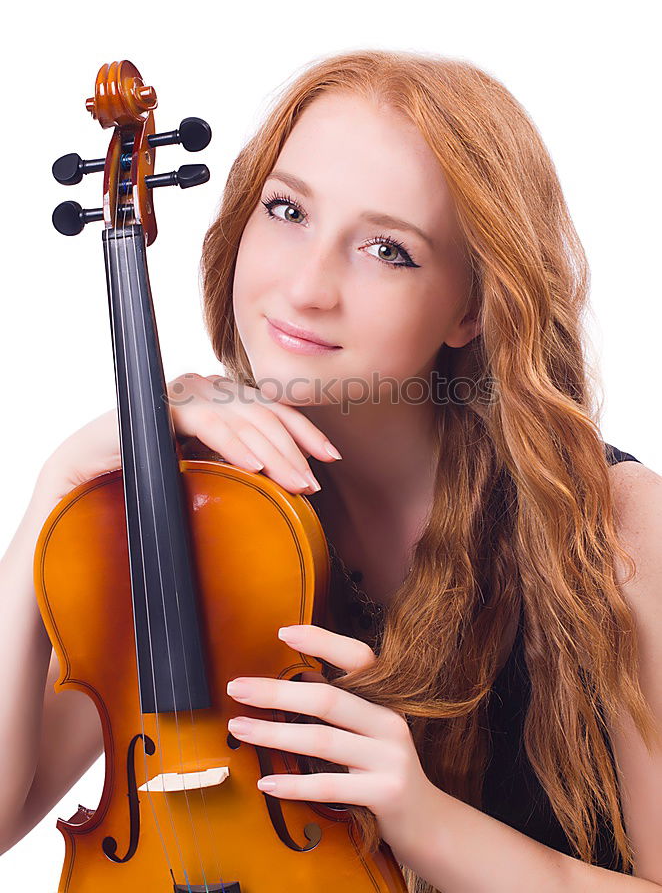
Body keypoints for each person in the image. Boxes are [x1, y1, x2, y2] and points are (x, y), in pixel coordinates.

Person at [0, 50, 660, 892]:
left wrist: (422, 819)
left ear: (472, 307)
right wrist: (60, 484)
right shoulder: (197, 510)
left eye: (388, 248)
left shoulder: (621, 528)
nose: (308, 287)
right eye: (288, 210)